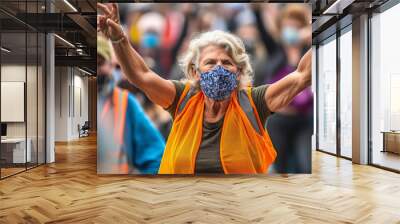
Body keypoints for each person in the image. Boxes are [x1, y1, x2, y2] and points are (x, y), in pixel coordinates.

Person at [97, 3, 312, 174]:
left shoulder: (254, 102)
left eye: (227, 63)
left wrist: (324, 25)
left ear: (238, 72)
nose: (219, 68)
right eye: (210, 63)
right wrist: (119, 37)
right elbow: (141, 75)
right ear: (195, 72)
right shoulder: (183, 98)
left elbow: (302, 75)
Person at [253, 4, 313, 173]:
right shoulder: (275, 51)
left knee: (305, 165)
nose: (290, 30)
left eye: (295, 26)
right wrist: (258, 9)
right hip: (278, 119)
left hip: (304, 120)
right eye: (287, 26)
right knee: (279, 167)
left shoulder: (308, 51)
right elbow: (261, 27)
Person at [97, 35, 165, 174]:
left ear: (111, 65)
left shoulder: (125, 102)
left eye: (99, 63)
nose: (95, 70)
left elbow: (156, 156)